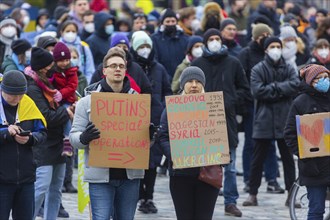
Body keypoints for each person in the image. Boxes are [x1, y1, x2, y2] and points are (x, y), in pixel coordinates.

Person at [69, 47, 143, 220]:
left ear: (126, 70)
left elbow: (143, 144)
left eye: (121, 66)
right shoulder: (86, 102)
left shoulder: (138, 102)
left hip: (129, 176)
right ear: (104, 71)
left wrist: (149, 137)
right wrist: (84, 137)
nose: (117, 69)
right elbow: (74, 138)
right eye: (113, 66)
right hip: (100, 176)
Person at [191, 28, 251, 217]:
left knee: (230, 166)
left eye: (218, 38)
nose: (215, 41)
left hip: (227, 120)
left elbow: (244, 89)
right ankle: (200, 200)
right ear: (206, 42)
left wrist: (230, 100)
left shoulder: (233, 62)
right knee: (202, 164)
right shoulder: (198, 64)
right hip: (203, 122)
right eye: (212, 39)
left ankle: (230, 202)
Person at [243, 37, 299, 207]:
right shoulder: (258, 69)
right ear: (266, 49)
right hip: (264, 119)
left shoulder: (289, 67)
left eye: (278, 46)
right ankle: (252, 193)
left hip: (284, 119)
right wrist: (281, 89)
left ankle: (291, 194)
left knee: (288, 159)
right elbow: (258, 91)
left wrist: (273, 87)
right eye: (272, 46)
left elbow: (295, 85)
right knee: (257, 158)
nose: (276, 49)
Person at [159, 66, 219, 220]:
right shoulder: (172, 108)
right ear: (183, 84)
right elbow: (163, 136)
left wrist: (224, 154)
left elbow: (224, 134)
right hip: (181, 174)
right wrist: (174, 155)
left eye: (198, 81)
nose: (194, 85)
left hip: (207, 172)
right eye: (190, 81)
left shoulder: (213, 107)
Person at [24, 47, 73, 220]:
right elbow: (46, 117)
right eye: (49, 65)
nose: (52, 67)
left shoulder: (46, 83)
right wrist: (67, 112)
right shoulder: (33, 88)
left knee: (56, 189)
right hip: (43, 144)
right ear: (41, 67)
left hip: (57, 143)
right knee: (41, 187)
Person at [238, 23, 283, 194]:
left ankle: (272, 179)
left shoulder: (274, 55)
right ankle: (249, 179)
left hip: (271, 105)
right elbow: (243, 81)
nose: (265, 36)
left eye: (267, 34)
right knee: (251, 143)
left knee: (271, 144)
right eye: (262, 34)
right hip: (251, 106)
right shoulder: (246, 54)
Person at [131, 31, 172, 214]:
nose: (145, 50)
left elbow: (167, 91)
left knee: (153, 162)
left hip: (156, 120)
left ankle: (150, 197)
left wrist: (163, 109)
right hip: (135, 122)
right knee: (139, 162)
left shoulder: (159, 68)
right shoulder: (131, 68)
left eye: (147, 46)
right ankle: (140, 196)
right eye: (141, 47)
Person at [284, 64, 330, 220]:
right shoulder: (300, 102)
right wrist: (304, 152)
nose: (325, 81)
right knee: (316, 209)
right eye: (320, 78)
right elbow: (289, 134)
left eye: (327, 77)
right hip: (313, 167)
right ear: (311, 81)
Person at [0, 70, 47, 220]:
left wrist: (31, 139)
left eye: (20, 95)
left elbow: (43, 133)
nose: (17, 99)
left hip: (26, 179)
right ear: (2, 90)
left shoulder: (27, 103)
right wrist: (5, 133)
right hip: (2, 181)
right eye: (12, 95)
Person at [52, 41, 78, 157]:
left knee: (66, 113)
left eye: (66, 60)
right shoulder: (53, 71)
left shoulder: (72, 71)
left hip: (68, 99)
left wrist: (61, 94)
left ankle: (67, 139)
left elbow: (72, 86)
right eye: (61, 60)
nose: (64, 63)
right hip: (56, 100)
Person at [151, 8, 189, 81]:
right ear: (162, 23)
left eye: (173, 21)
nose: (170, 24)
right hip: (163, 77)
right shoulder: (155, 39)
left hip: (182, 77)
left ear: (176, 22)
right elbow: (155, 59)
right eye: (167, 21)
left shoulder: (185, 38)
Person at [59, 20, 95, 84]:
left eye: (73, 31)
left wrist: (86, 84)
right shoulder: (57, 48)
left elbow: (90, 70)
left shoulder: (83, 47)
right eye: (67, 31)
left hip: (81, 83)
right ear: (62, 32)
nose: (71, 33)